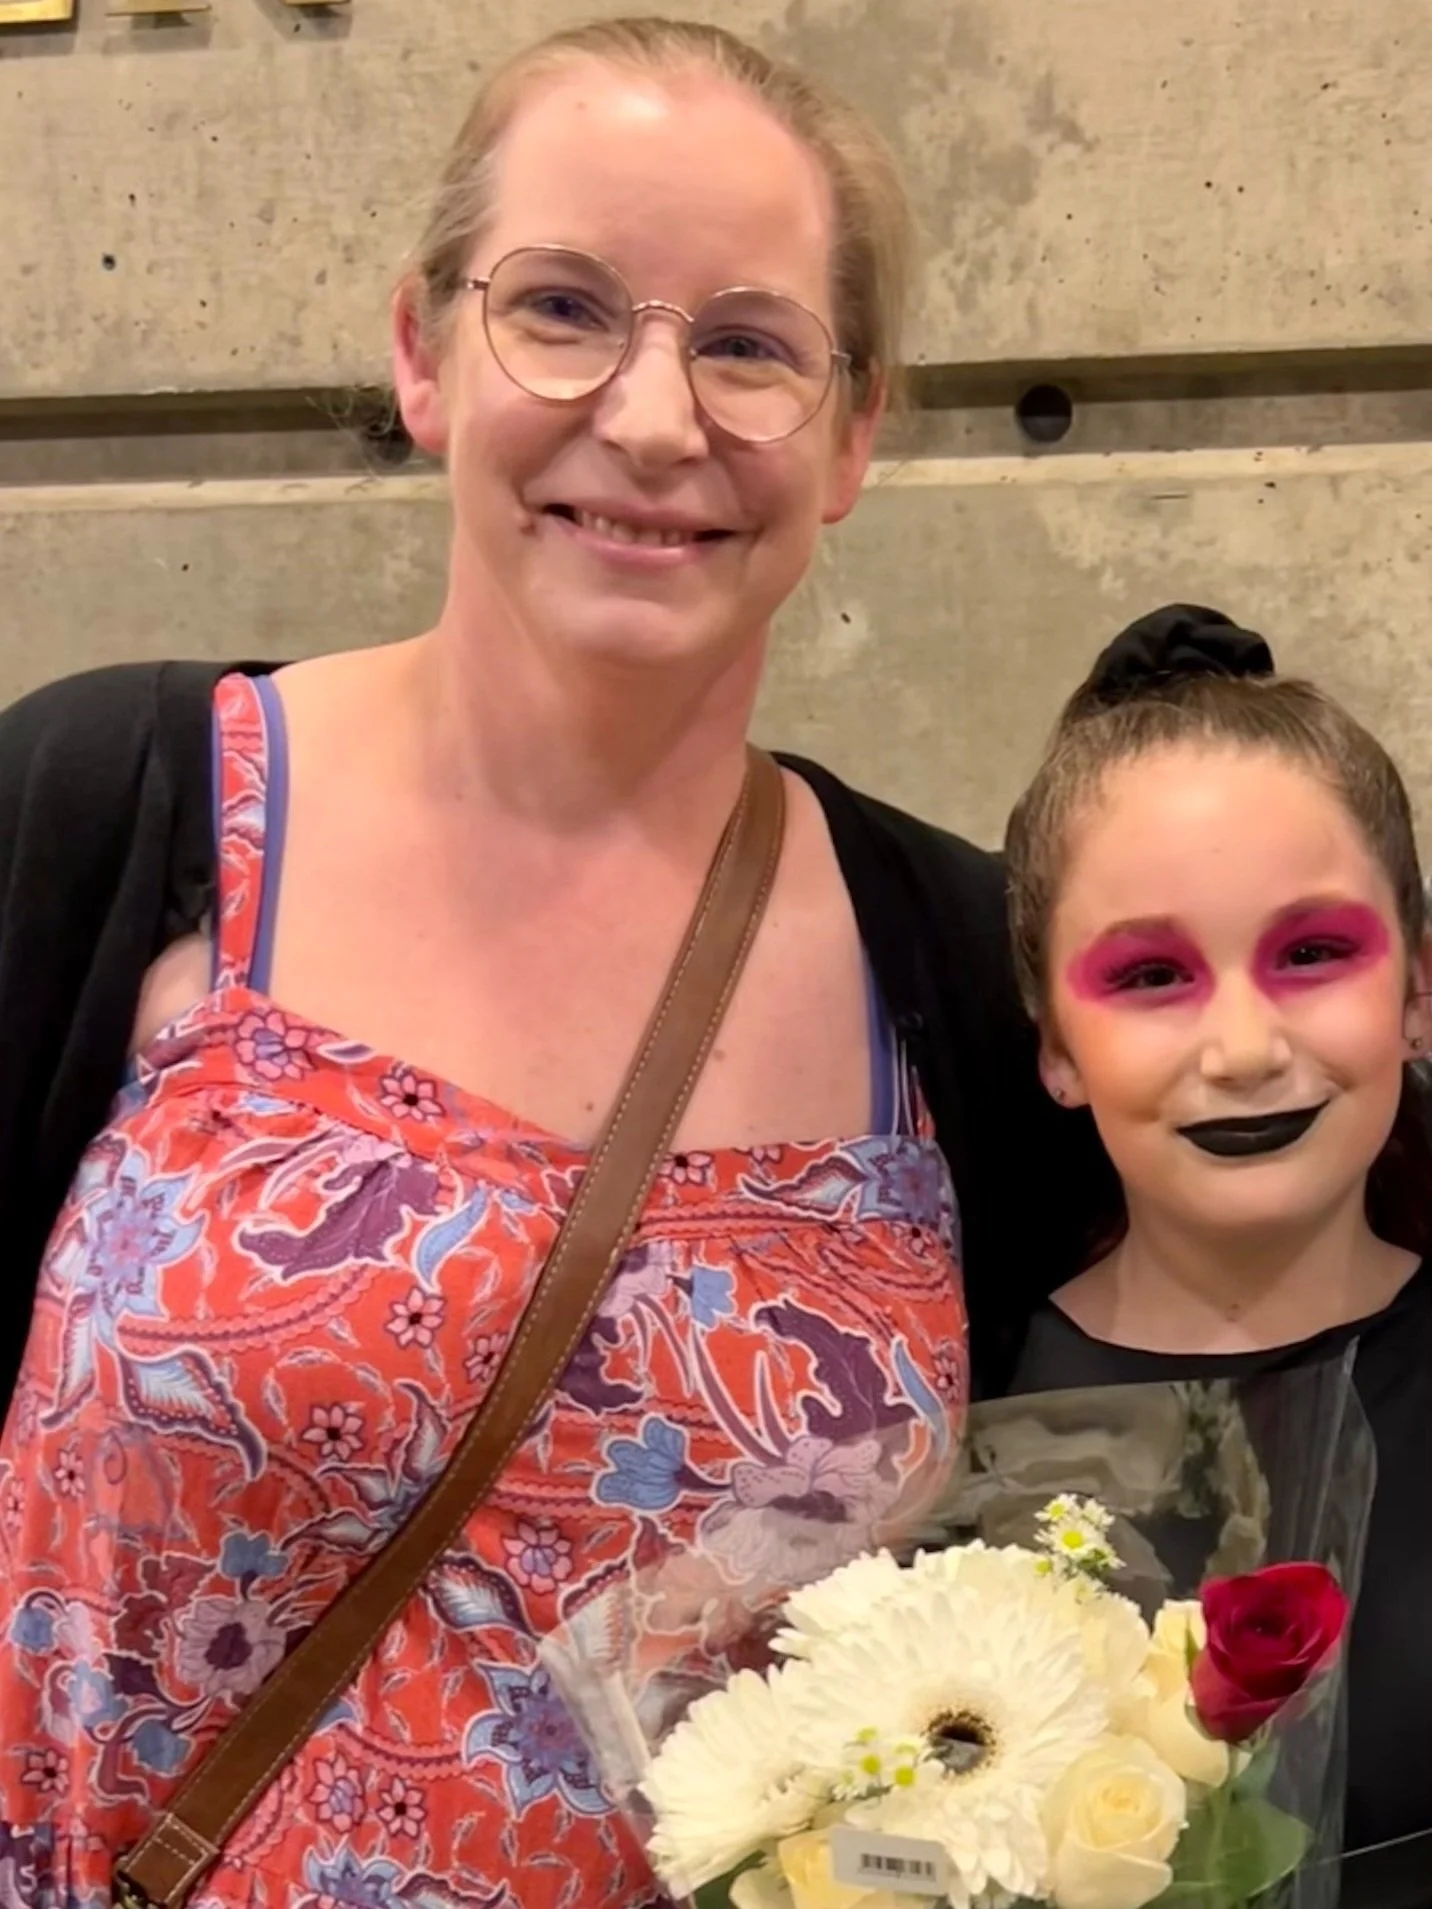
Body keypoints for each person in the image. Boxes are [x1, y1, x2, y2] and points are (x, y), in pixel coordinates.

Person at [0, 19, 1096, 1907]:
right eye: (565, 309)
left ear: (852, 434)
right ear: (424, 353)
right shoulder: (117, 815)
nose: (656, 422)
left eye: (749, 345)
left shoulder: (949, 966)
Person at [1003, 604, 1432, 1907]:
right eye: (1151, 977)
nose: (1244, 1049)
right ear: (1055, 1044)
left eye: (1312, 955)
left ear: (1417, 994)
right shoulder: (948, 1419)